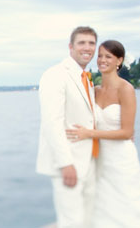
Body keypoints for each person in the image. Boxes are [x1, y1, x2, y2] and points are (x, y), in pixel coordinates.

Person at [66, 39, 140, 228]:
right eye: (99, 56)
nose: (102, 60)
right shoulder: (94, 91)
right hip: (99, 159)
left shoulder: (126, 89)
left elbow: (126, 132)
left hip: (121, 159)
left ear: (119, 61)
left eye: (108, 56)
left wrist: (89, 133)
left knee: (127, 208)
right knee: (102, 209)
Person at [36, 25, 98, 228]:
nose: (87, 48)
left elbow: (89, 118)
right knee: (72, 222)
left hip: (89, 161)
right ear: (70, 47)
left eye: (91, 43)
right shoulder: (55, 75)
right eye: (82, 43)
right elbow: (52, 122)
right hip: (69, 163)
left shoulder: (86, 79)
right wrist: (65, 163)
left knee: (88, 219)